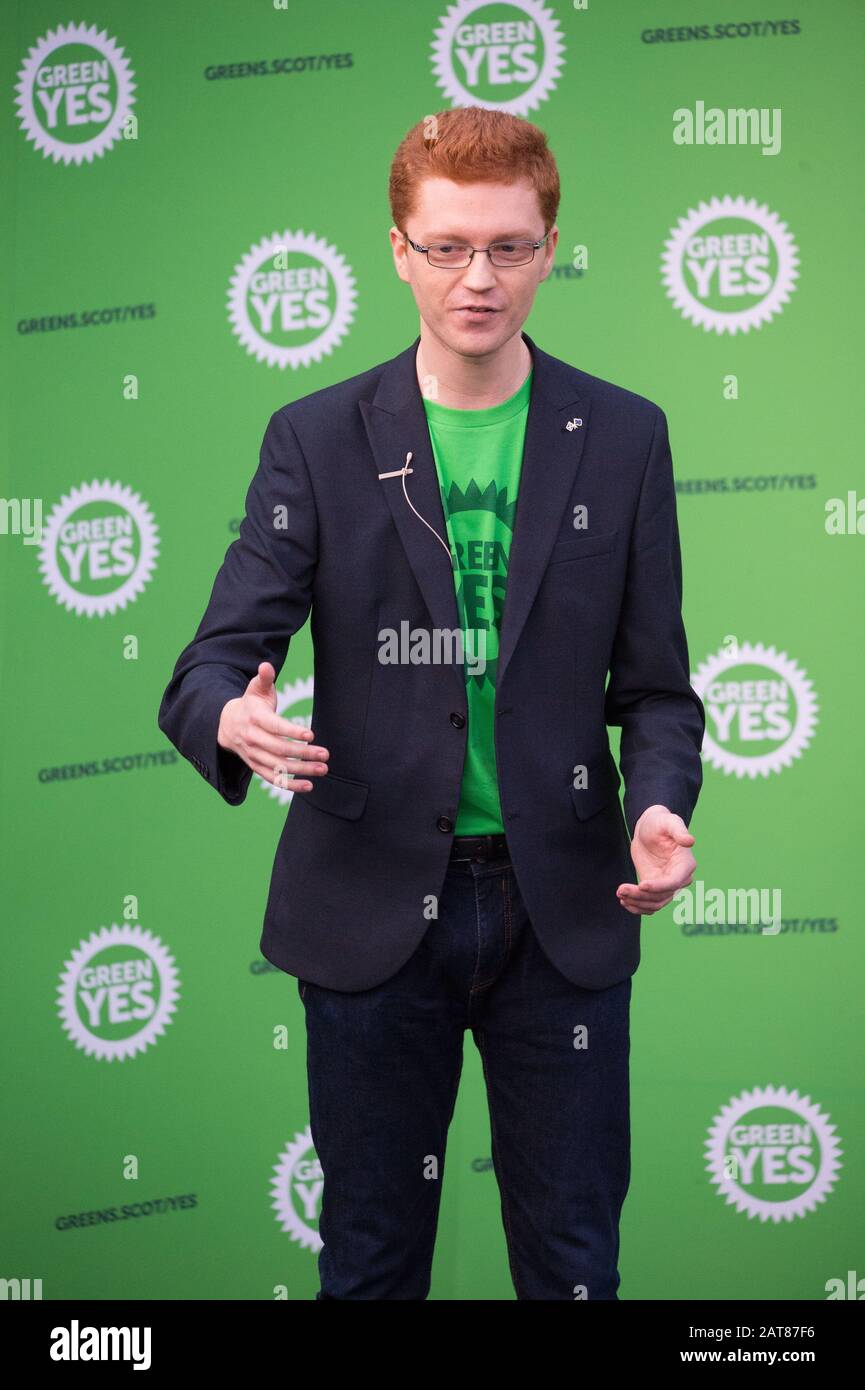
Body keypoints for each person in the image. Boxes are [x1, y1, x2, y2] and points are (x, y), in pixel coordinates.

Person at [157, 106, 705, 1300]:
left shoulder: (622, 436)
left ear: (549, 245)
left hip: (563, 906)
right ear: (398, 250)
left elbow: (657, 686)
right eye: (448, 245)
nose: (479, 277)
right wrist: (231, 721)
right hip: (367, 911)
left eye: (508, 246)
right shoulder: (312, 440)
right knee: (370, 1266)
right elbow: (208, 662)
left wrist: (659, 804)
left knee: (571, 1264)